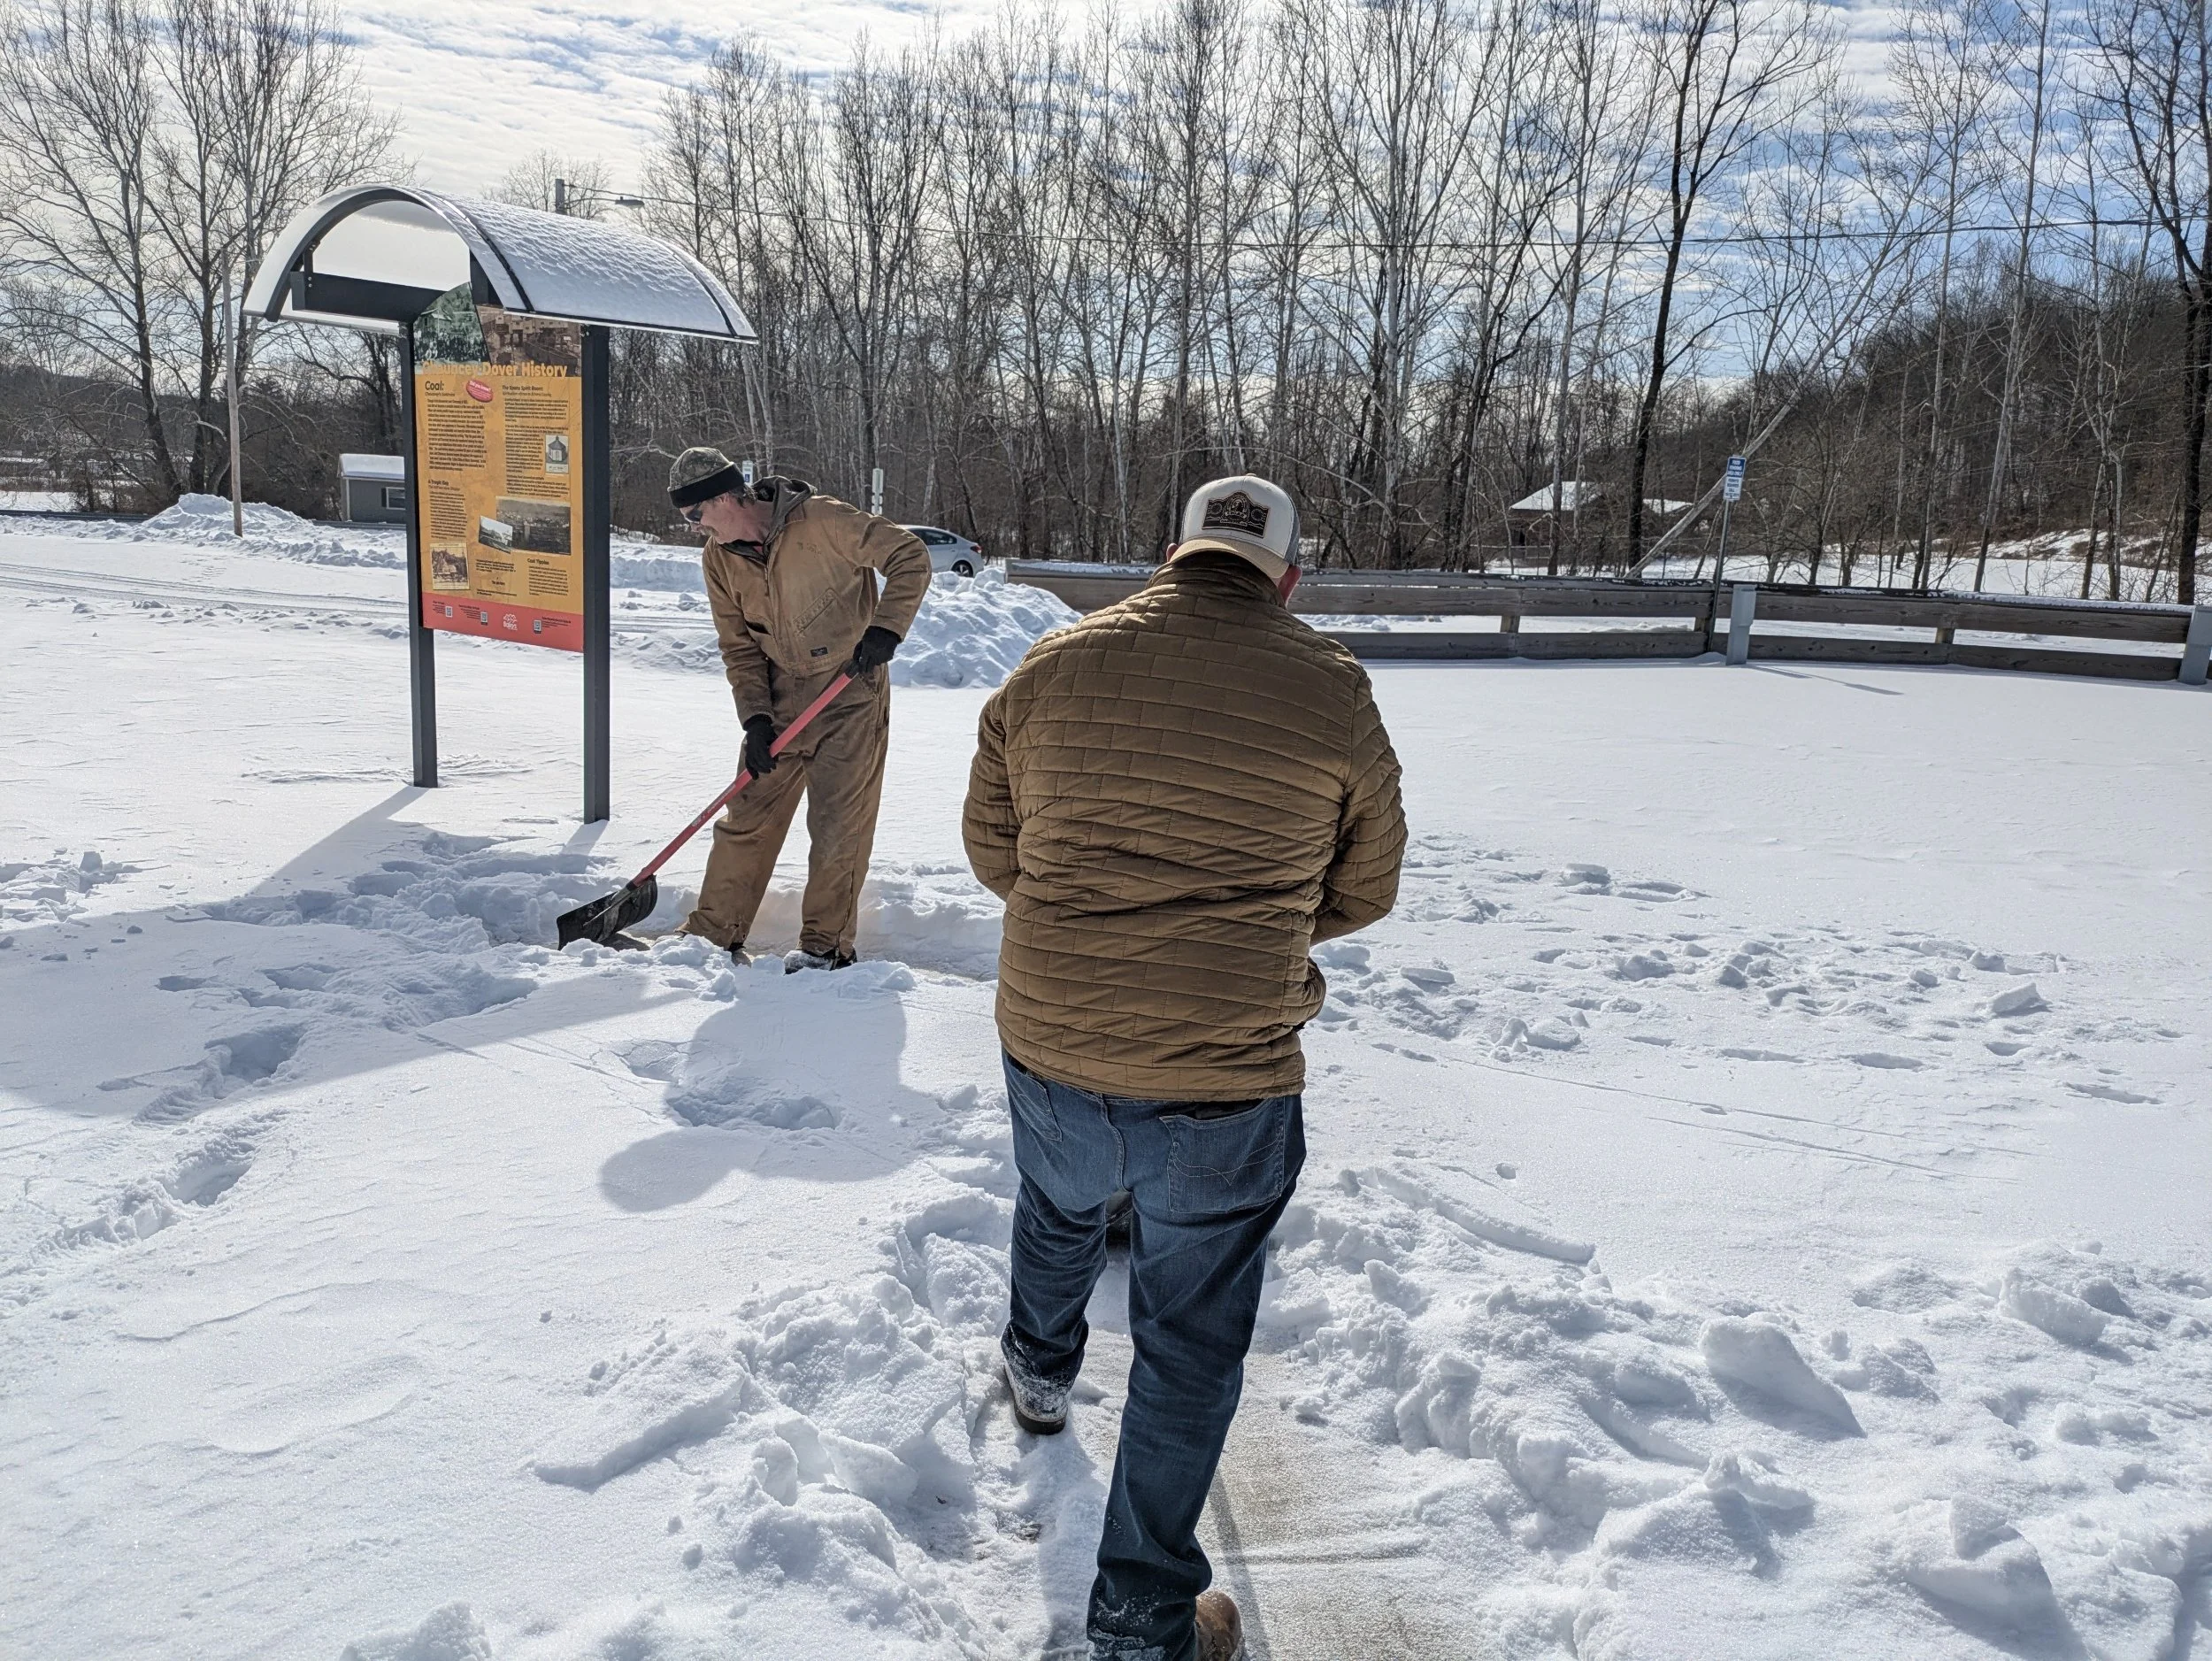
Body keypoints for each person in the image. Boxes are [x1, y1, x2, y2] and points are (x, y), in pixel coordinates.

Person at [962, 474, 1407, 1661]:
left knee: (1057, 1204)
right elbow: (1367, 886)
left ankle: (1039, 1370)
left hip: (1053, 1028)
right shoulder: (1333, 688)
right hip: (1226, 1068)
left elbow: (993, 848)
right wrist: (1244, 929)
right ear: (1288, 577)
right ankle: (1143, 1620)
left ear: (1173, 556)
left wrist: (1088, 919)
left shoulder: (1053, 664)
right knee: (1191, 1340)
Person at [667, 447, 932, 971]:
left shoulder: (823, 520)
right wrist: (756, 720)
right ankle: (714, 935)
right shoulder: (718, 560)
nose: (695, 528)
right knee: (747, 816)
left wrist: (886, 627)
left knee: (839, 824)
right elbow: (739, 647)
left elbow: (909, 556)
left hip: (849, 690)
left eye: (695, 515)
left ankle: (825, 947)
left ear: (724, 497)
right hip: (780, 697)